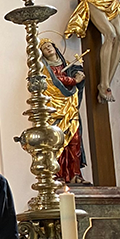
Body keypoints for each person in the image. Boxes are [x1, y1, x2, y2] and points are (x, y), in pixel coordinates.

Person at [40, 40, 87, 184]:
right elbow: (53, 82)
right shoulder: (43, 69)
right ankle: (58, 175)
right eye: (44, 48)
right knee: (57, 141)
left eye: (49, 46)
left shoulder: (67, 65)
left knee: (75, 140)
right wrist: (73, 80)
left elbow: (75, 79)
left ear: (55, 47)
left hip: (70, 108)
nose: (48, 48)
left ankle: (75, 174)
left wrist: (79, 75)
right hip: (55, 110)